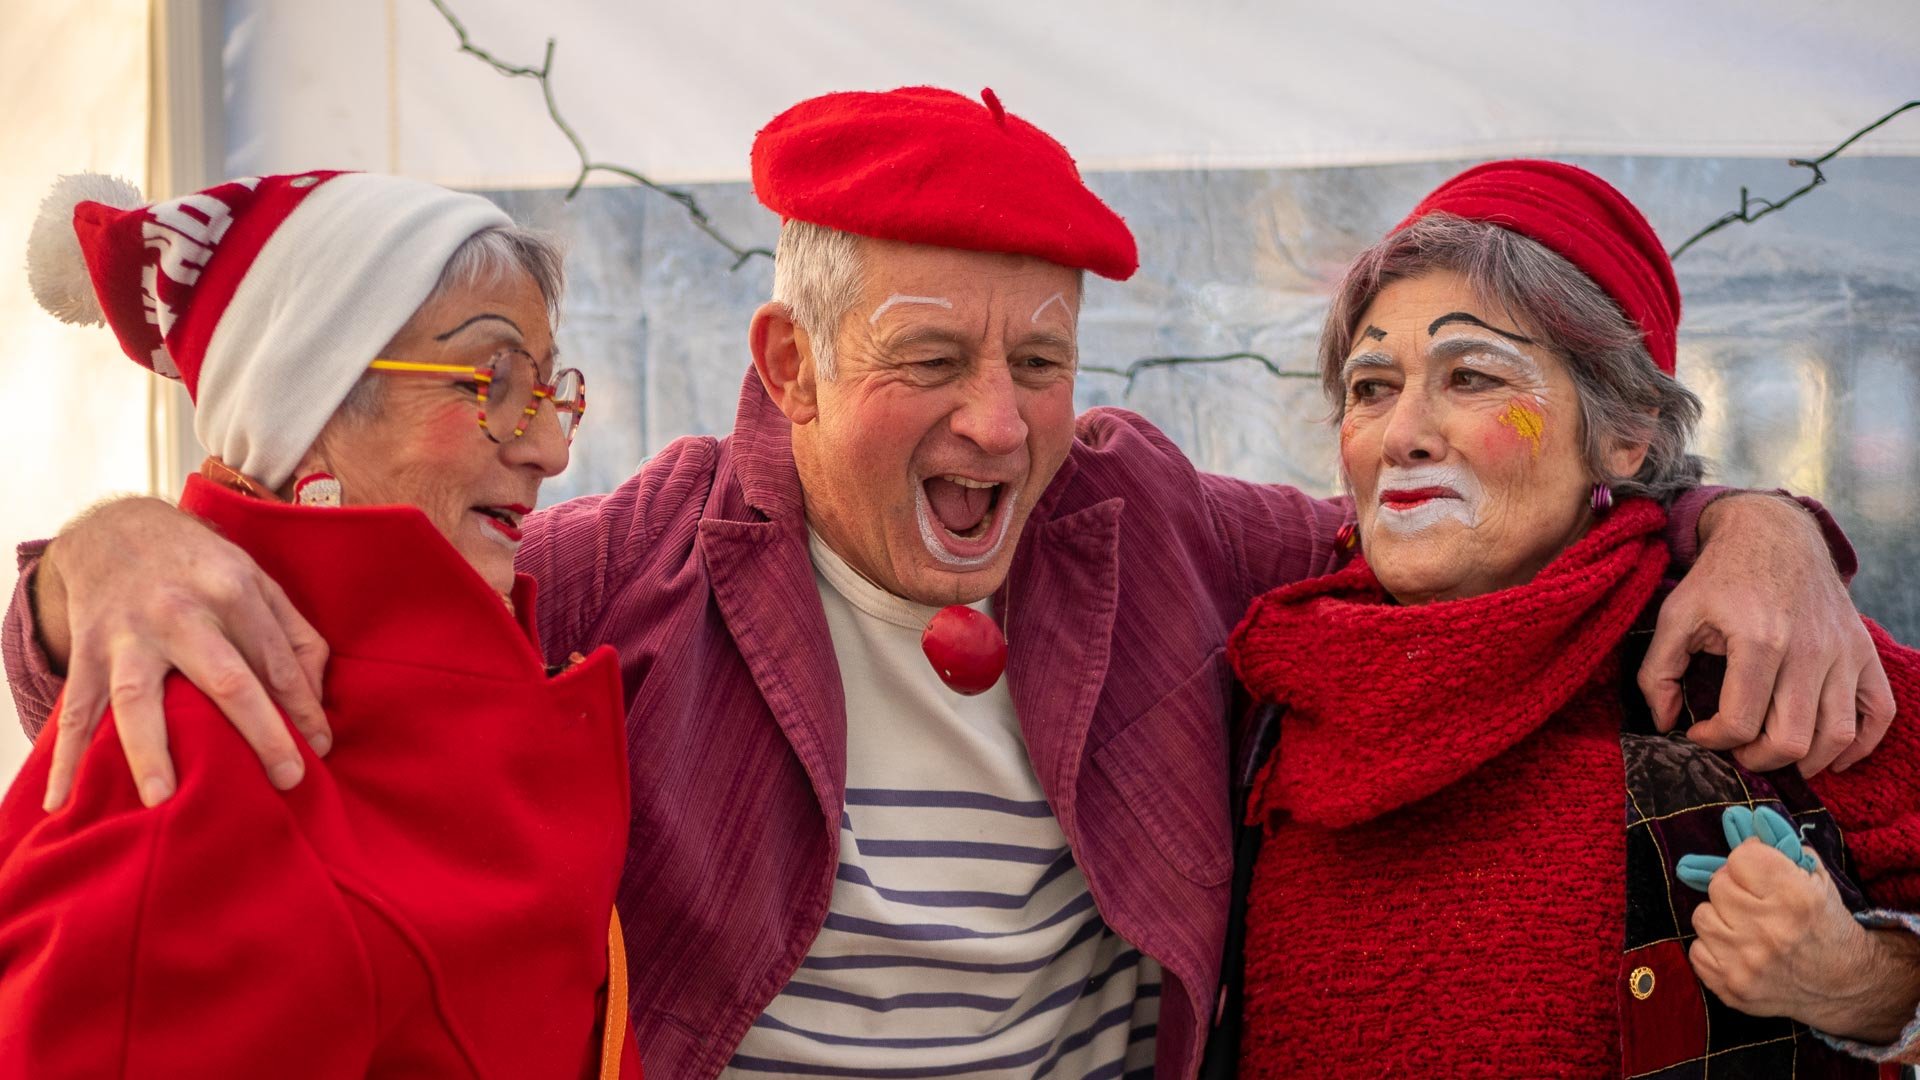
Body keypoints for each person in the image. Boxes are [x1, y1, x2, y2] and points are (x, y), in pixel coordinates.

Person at [2, 92, 1892, 1077]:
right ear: (790, 366)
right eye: (931, 357)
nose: (1001, 420)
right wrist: (88, 564)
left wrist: (1757, 525)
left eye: (1041, 359)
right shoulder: (626, 568)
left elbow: (1458, 538)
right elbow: (334, 628)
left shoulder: (1148, 522)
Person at [1223, 160, 1920, 1075]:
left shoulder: (1760, 650)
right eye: (1372, 387)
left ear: (1625, 432)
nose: (1402, 435)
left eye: (1472, 376)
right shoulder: (1274, 658)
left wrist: (1856, 979)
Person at [0, 170, 639, 1078]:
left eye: (550, 388)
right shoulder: (192, 775)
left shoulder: (460, 665)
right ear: (308, 407)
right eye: (493, 381)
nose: (550, 449)